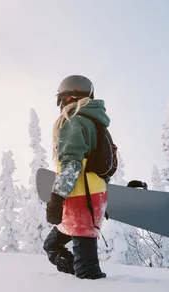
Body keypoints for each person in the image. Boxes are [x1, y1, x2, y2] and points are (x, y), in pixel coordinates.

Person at [43, 74, 110, 280]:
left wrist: (56, 199)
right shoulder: (97, 124)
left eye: (60, 99)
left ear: (69, 97)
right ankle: (76, 281)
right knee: (52, 245)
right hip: (91, 196)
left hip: (80, 199)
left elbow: (71, 165)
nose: (60, 104)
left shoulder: (74, 122)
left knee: (87, 270)